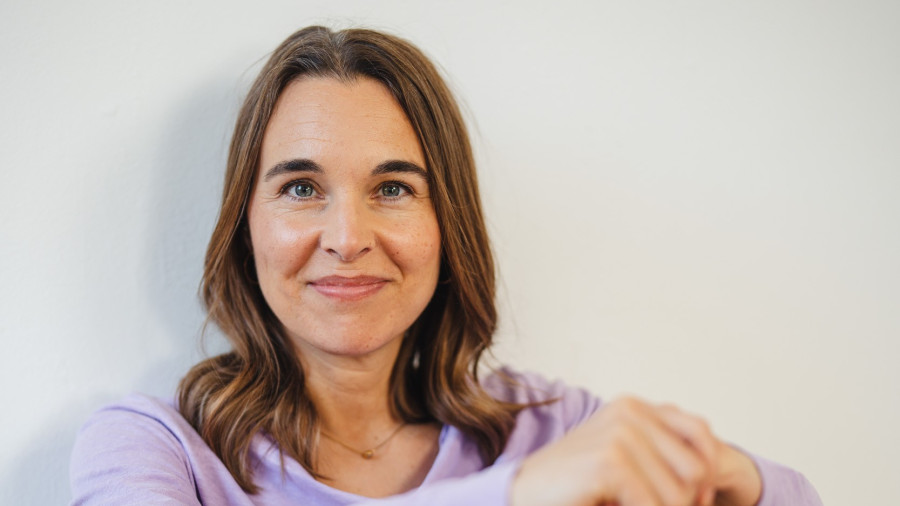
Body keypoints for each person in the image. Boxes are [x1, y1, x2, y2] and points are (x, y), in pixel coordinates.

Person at [69, 26, 822, 506]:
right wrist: (518, 495)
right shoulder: (155, 448)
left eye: (394, 188)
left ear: (446, 224)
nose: (347, 237)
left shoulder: (549, 426)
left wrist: (726, 472)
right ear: (245, 226)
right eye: (301, 188)